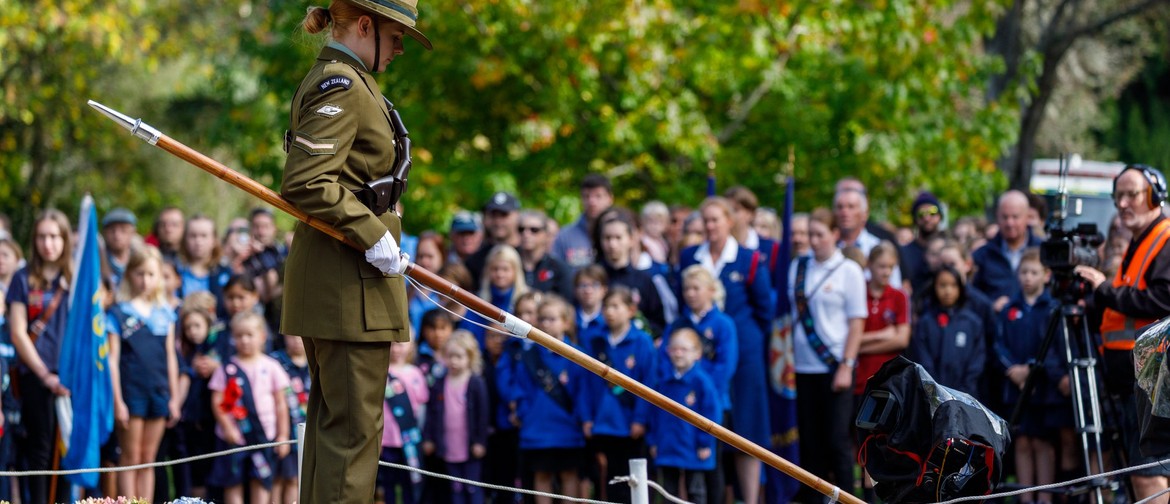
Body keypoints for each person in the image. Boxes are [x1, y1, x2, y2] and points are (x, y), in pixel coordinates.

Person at [280, 1, 431, 501]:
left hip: (348, 286)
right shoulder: (341, 83)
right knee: (351, 438)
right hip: (350, 288)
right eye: (397, 33)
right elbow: (306, 182)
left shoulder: (350, 80)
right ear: (366, 24)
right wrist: (372, 232)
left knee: (335, 435)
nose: (403, 45)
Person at [1073, 165, 1170, 502]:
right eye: (1119, 196)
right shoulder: (1139, 241)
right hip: (1139, 381)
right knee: (1141, 475)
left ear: (1155, 196)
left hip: (1154, 380)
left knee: (1149, 475)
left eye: (1133, 194)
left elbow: (1163, 298)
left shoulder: (1165, 237)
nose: (1124, 203)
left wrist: (1105, 290)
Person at [679, 196, 773, 503]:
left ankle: (749, 499)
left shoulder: (749, 258)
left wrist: (747, 340)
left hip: (744, 357)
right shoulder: (691, 256)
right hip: (699, 358)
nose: (710, 226)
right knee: (703, 425)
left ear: (730, 221)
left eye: (715, 219)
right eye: (705, 220)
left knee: (747, 431)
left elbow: (764, 309)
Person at [787, 207, 866, 504]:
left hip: (835, 364)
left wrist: (847, 364)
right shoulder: (799, 268)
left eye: (819, 234)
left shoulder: (849, 271)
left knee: (837, 440)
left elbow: (856, 322)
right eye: (810, 234)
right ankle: (812, 496)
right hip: (804, 366)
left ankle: (847, 497)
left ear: (835, 234)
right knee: (810, 441)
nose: (813, 240)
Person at [7, 209, 73, 503]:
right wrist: (45, 375)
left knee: (70, 452)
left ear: (64, 240)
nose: (49, 243)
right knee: (40, 451)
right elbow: (18, 333)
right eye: (43, 236)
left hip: (72, 377)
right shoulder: (23, 279)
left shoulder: (75, 277)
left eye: (55, 236)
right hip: (36, 377)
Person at [107, 247, 180, 499]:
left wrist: (174, 397)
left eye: (151, 274)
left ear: (159, 276)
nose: (145, 280)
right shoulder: (119, 312)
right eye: (139, 274)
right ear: (129, 275)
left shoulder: (165, 313)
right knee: (130, 458)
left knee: (149, 459)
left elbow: (170, 356)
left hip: (158, 391)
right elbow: (112, 359)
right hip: (130, 393)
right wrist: (118, 402)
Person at [997, 248, 1062, 504]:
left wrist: (1032, 370)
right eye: (1023, 272)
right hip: (1014, 387)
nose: (1027, 277)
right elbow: (998, 346)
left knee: (1042, 442)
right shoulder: (1009, 308)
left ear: (1045, 275)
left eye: (1033, 272)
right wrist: (1015, 371)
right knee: (1022, 441)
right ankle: (1025, 497)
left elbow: (1053, 347)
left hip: (1043, 387)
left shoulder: (1051, 307)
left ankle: (1044, 497)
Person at [580, 287, 655, 502]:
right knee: (607, 481)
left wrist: (640, 419)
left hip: (629, 424)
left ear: (631, 310)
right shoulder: (594, 341)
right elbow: (586, 383)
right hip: (602, 423)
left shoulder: (642, 342)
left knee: (634, 481)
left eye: (615, 306)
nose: (609, 312)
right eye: (606, 307)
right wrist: (586, 417)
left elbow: (648, 384)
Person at [509, 295, 587, 504]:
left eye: (552, 319)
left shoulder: (578, 356)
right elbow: (520, 389)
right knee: (542, 475)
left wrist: (582, 418)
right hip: (537, 429)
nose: (546, 323)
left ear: (566, 322)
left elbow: (584, 391)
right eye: (542, 318)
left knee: (568, 474)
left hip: (568, 428)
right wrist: (523, 414)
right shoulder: (528, 356)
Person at [208, 312, 291, 504]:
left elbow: (281, 403)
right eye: (239, 336)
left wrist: (283, 436)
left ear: (262, 336)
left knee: (261, 480)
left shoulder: (271, 366)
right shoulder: (227, 368)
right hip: (233, 438)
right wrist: (228, 428)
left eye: (249, 335)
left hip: (264, 436)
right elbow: (217, 401)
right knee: (232, 482)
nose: (244, 340)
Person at [650, 327, 721, 504]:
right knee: (667, 491)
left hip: (694, 447)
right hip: (668, 445)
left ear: (697, 353)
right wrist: (653, 441)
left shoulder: (702, 382)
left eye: (684, 349)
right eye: (674, 349)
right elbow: (654, 414)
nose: (678, 354)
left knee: (695, 491)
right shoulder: (663, 381)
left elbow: (711, 414)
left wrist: (705, 442)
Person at [423, 332, 490, 504]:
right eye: (449, 356)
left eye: (459, 356)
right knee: (455, 487)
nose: (453, 361)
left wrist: (480, 442)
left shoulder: (476, 383)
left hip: (469, 447)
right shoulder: (439, 383)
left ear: (470, 357)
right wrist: (429, 439)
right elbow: (432, 413)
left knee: (472, 486)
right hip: (449, 445)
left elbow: (483, 415)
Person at [910, 266, 986, 396]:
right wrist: (933, 388)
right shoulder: (926, 322)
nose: (948, 291)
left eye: (953, 285)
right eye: (942, 285)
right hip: (931, 394)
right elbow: (922, 357)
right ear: (934, 287)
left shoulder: (972, 322)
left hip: (966, 396)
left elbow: (977, 360)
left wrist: (965, 390)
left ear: (960, 289)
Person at [971, 190, 1043, 311]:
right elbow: (973, 294)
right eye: (1005, 217)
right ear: (997, 217)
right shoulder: (982, 255)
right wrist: (991, 306)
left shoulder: (1042, 251)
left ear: (1026, 217)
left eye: (1015, 217)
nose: (1010, 223)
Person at [379, 340, 428, 504]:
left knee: (410, 484)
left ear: (410, 346)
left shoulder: (415, 373)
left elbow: (421, 407)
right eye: (391, 344)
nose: (395, 349)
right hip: (386, 440)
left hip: (410, 441)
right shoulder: (379, 373)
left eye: (400, 343)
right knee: (389, 484)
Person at [271, 333, 311, 504]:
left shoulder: (317, 360)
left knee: (296, 479)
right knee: (277, 479)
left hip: (308, 432)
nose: (296, 340)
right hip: (281, 431)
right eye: (292, 336)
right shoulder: (275, 362)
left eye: (302, 337)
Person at [551, 173, 614, 271]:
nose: (592, 202)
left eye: (598, 196)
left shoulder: (620, 234)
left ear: (610, 199)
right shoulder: (565, 236)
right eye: (587, 196)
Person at [465, 192, 521, 287]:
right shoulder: (475, 260)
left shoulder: (528, 255)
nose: (498, 221)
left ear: (517, 216)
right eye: (493, 215)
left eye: (504, 215)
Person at [517, 210, 574, 300]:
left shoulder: (559, 268)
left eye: (534, 230)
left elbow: (566, 305)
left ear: (546, 234)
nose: (526, 234)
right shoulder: (509, 262)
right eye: (521, 229)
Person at [901, 191, 945, 298]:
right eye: (921, 213)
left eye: (932, 212)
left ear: (940, 216)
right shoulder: (903, 253)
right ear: (915, 219)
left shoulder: (949, 250)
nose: (927, 218)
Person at [101, 207, 141, 289]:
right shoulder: (98, 259)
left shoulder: (140, 259)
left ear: (133, 233)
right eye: (112, 230)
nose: (117, 236)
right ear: (105, 233)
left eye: (123, 230)